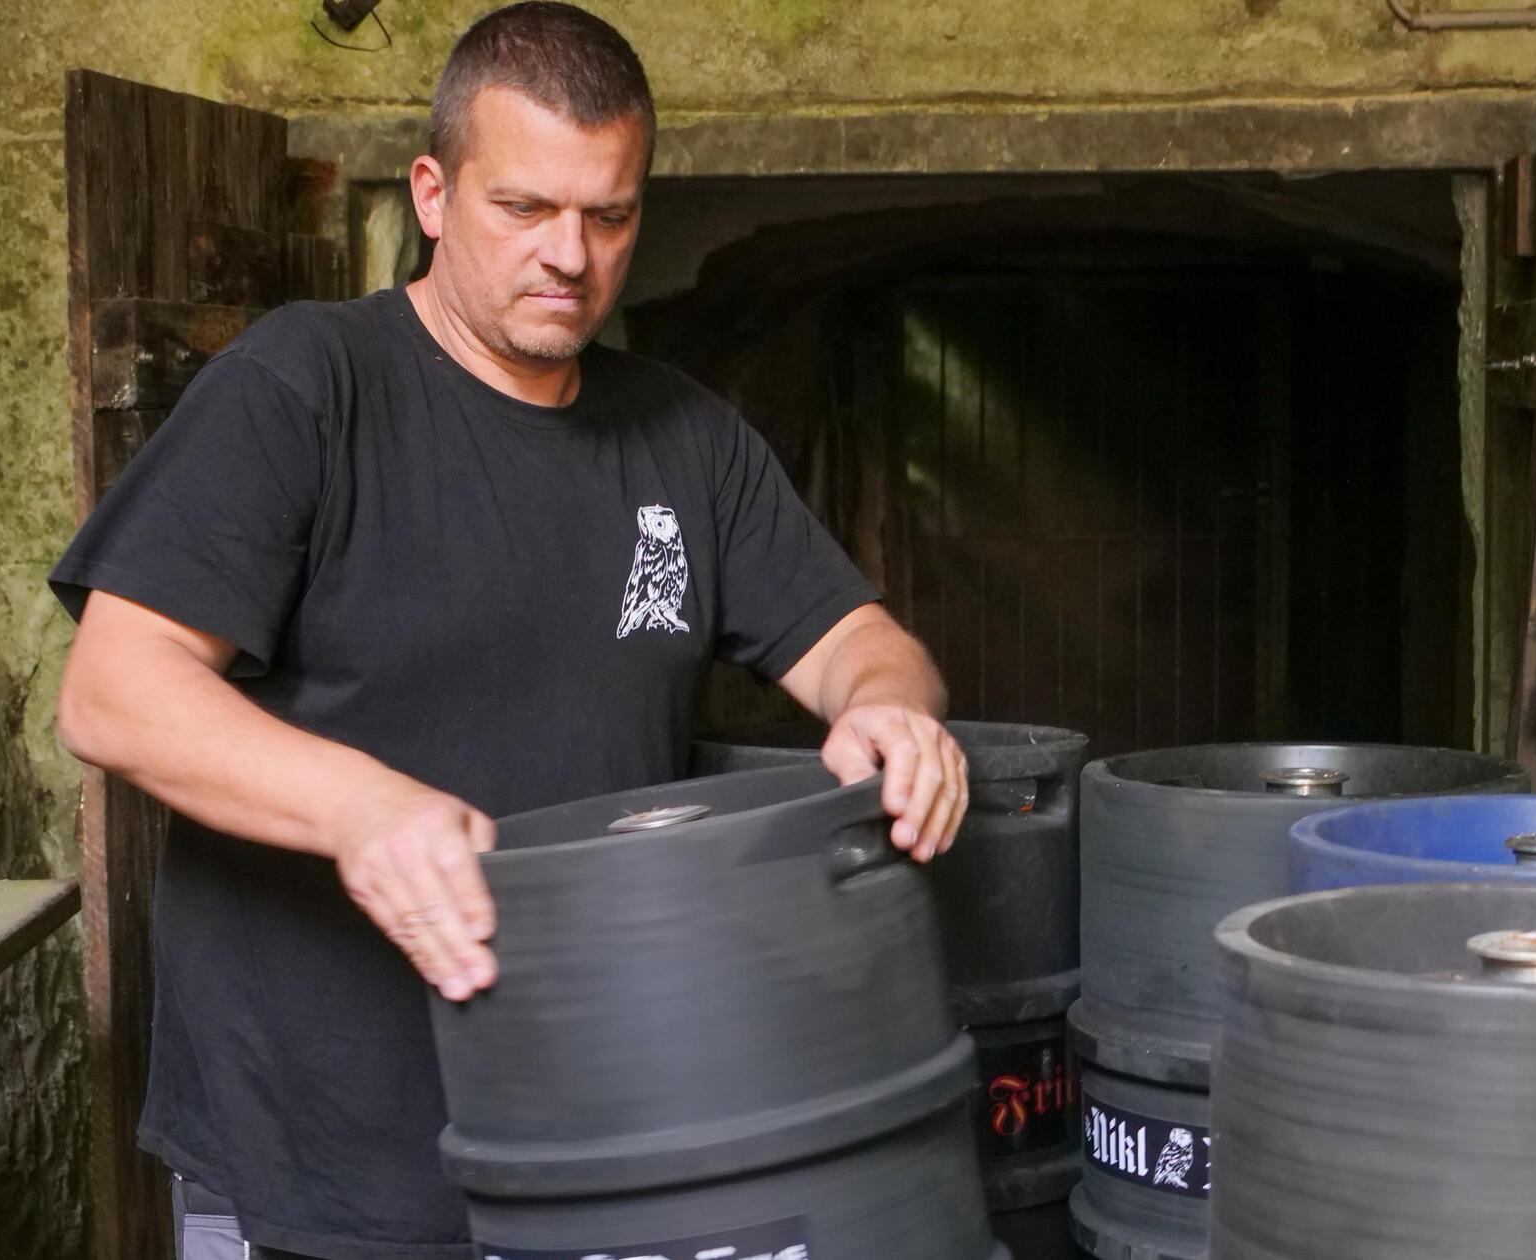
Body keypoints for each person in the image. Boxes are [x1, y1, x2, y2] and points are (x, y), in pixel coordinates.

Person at [50, 5, 969, 1257]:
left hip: (597, 1128)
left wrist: (890, 707)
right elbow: (113, 692)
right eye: (523, 210)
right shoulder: (305, 386)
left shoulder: (683, 438)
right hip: (322, 1144)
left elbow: (856, 637)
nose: (570, 257)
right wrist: (361, 806)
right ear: (432, 193)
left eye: (609, 216)